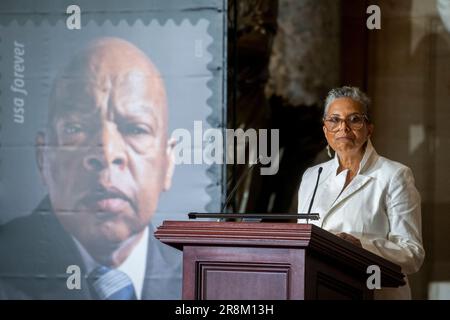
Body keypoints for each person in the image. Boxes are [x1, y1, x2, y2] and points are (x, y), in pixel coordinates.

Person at [0, 37, 181, 299]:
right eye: (76, 128)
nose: (107, 154)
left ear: (168, 163)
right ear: (43, 158)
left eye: (136, 129)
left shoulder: (207, 285)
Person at [297, 86, 425, 299]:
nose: (343, 128)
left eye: (354, 119)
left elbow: (412, 254)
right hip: (319, 291)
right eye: (334, 120)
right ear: (325, 129)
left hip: (372, 294)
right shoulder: (312, 176)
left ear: (369, 128)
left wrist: (361, 246)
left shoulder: (395, 175)